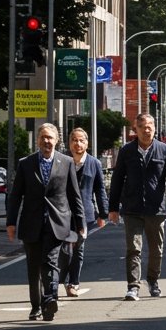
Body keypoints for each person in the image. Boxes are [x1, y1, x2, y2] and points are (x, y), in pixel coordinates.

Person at [7, 122, 86, 321]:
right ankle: (36, 306)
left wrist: (80, 224)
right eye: (43, 137)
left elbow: (74, 196)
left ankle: (50, 298)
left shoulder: (66, 162)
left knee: (51, 262)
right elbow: (16, 195)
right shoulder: (26, 163)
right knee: (34, 267)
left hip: (57, 223)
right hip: (31, 223)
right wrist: (11, 222)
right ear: (37, 140)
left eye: (50, 137)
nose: (46, 141)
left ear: (57, 140)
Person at [107, 113, 166, 301]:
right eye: (142, 126)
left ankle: (153, 280)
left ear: (155, 128)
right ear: (136, 130)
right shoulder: (127, 151)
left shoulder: (164, 150)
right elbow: (117, 180)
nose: (146, 129)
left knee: (156, 249)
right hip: (132, 208)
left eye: (149, 126)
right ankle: (133, 286)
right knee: (134, 248)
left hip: (156, 208)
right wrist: (113, 208)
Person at [58, 127, 108, 298]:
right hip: (63, 214)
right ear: (69, 143)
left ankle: (73, 283)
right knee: (65, 250)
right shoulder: (62, 161)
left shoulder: (94, 164)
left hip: (85, 215)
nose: (78, 144)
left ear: (87, 143)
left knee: (78, 249)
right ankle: (60, 279)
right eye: (74, 140)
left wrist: (103, 213)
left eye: (81, 140)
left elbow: (100, 189)